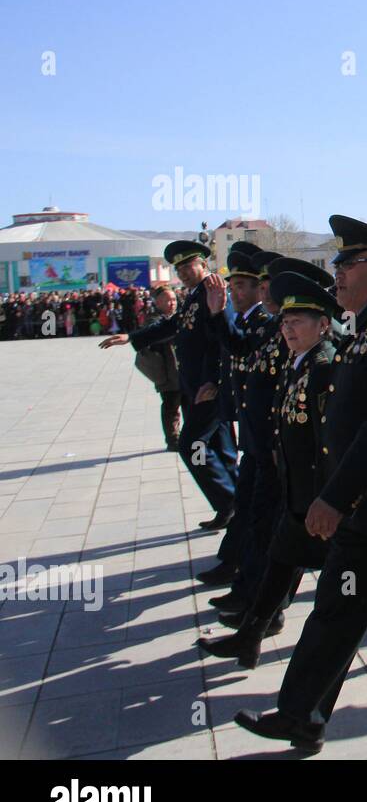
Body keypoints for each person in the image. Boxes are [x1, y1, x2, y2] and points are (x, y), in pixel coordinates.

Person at [235, 216, 367, 752]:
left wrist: (335, 496)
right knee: (337, 608)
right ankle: (300, 713)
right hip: (361, 506)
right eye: (339, 263)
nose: (337, 274)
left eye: (347, 264)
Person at [198, 270, 341, 667]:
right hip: (294, 485)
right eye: (286, 321)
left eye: (297, 322)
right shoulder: (301, 360)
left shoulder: (324, 367)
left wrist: (326, 495)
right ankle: (252, 633)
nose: (288, 329)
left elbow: (327, 438)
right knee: (279, 557)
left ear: (323, 324)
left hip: (318, 493)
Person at [100, 240, 239, 530]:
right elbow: (173, 325)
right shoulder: (194, 296)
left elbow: (222, 341)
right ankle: (236, 506)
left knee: (191, 444)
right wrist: (133, 337)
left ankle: (230, 503)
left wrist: (214, 380)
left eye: (189, 265)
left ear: (203, 263)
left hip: (209, 389)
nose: (184, 272)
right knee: (221, 449)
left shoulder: (213, 293)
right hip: (196, 387)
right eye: (179, 268)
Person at [198, 245, 276, 600]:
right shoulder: (244, 320)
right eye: (233, 287)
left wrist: (219, 315)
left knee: (262, 512)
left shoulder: (266, 322)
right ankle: (237, 569)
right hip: (251, 427)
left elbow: (242, 350)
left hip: (269, 432)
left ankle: (252, 590)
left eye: (242, 286)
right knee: (249, 505)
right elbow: (230, 359)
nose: (236, 293)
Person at [133, 285, 182, 451]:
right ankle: (173, 439)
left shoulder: (178, 317)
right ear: (157, 302)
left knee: (185, 403)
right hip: (166, 371)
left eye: (174, 299)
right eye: (167, 300)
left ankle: (184, 436)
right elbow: (155, 337)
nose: (172, 303)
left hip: (181, 370)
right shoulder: (153, 320)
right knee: (170, 405)